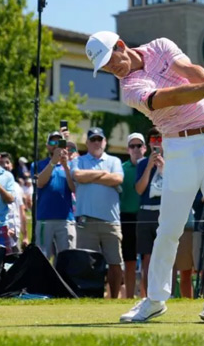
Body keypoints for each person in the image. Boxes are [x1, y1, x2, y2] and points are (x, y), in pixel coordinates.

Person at [85, 31, 204, 323]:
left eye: (111, 59)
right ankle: (155, 299)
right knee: (169, 228)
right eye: (105, 67)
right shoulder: (130, 88)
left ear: (121, 45)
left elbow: (189, 71)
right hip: (180, 148)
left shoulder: (160, 46)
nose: (112, 68)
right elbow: (170, 97)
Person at [71, 127, 124, 298]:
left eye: (99, 139)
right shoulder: (78, 161)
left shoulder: (114, 160)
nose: (96, 143)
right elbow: (78, 176)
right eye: (92, 140)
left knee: (115, 263)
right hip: (86, 220)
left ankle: (113, 298)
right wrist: (102, 173)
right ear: (87, 143)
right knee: (89, 262)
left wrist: (90, 177)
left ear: (105, 142)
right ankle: (92, 296)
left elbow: (117, 179)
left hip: (111, 220)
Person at [32, 131, 76, 261]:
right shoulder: (38, 165)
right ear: (47, 146)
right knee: (42, 258)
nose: (55, 145)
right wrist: (53, 162)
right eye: (52, 142)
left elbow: (74, 189)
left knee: (67, 259)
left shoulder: (72, 164)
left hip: (65, 219)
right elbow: (40, 183)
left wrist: (66, 167)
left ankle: (64, 282)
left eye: (58, 142)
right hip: (45, 218)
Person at [135, 127, 165, 297]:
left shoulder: (172, 161)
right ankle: (147, 295)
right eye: (153, 139)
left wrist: (163, 166)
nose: (156, 142)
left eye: (159, 139)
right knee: (147, 257)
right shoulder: (141, 163)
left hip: (164, 212)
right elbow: (139, 190)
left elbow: (174, 187)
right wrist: (149, 167)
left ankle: (167, 293)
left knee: (167, 254)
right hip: (146, 212)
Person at [120, 132, 147, 298]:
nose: (136, 149)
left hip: (146, 217)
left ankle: (145, 298)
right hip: (126, 217)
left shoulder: (151, 165)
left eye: (139, 145)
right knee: (129, 261)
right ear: (128, 149)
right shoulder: (121, 169)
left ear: (144, 148)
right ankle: (128, 297)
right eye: (132, 146)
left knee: (147, 262)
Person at [0, 152, 28, 252]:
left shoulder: (17, 186)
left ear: (11, 165)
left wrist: (25, 236)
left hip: (15, 237)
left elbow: (21, 211)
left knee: (16, 265)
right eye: (1, 163)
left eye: (7, 162)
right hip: (1, 235)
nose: (5, 165)